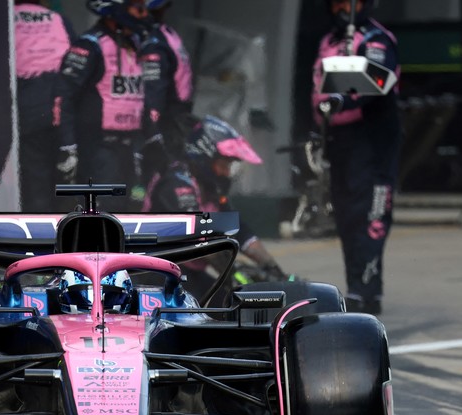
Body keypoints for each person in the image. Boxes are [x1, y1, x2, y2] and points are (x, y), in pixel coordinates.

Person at [312, 0, 401, 315]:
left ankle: (365, 290)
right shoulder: (328, 41)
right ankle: (358, 289)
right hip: (340, 140)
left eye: (349, 3)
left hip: (373, 141)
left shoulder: (377, 39)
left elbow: (378, 81)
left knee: (371, 216)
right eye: (336, 4)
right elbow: (319, 90)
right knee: (347, 217)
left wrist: (342, 96)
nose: (342, 10)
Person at [143, 115, 289, 302]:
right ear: (205, 156)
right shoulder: (176, 182)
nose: (226, 172)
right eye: (223, 164)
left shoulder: (210, 187)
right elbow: (202, 238)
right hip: (155, 274)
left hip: (186, 273)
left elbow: (238, 230)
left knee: (233, 304)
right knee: (222, 307)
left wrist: (272, 268)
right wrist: (237, 273)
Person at [53, 0, 150, 212]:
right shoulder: (90, 45)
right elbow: (63, 96)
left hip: (130, 149)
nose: (144, 14)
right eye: (138, 8)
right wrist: (67, 146)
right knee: (102, 213)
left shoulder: (136, 44)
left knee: (132, 210)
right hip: (98, 149)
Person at [13, 0, 75, 212]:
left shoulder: (7, 20)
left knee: (34, 183)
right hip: (61, 113)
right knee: (62, 182)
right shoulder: (58, 19)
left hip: (27, 113)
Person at [138, 0, 194, 182]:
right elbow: (152, 91)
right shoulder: (152, 41)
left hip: (178, 117)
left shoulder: (166, 32)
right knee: (161, 176)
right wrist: (153, 130)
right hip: (165, 120)